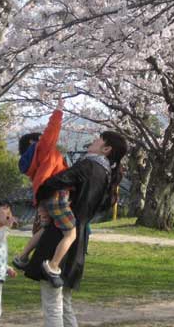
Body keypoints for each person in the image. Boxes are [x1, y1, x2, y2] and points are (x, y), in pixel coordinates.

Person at [24, 130, 128, 327]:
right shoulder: (107, 175)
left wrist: (42, 198)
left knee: (52, 303)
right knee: (64, 302)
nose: (94, 140)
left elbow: (52, 182)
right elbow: (103, 206)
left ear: (106, 149)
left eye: (99, 139)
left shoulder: (88, 166)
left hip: (59, 235)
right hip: (78, 240)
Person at [13, 96, 75, 289]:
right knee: (71, 233)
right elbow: (52, 131)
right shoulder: (43, 149)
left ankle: (22, 257)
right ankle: (53, 266)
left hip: (43, 199)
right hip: (57, 196)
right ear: (34, 142)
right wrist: (58, 110)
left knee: (46, 229)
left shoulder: (30, 163)